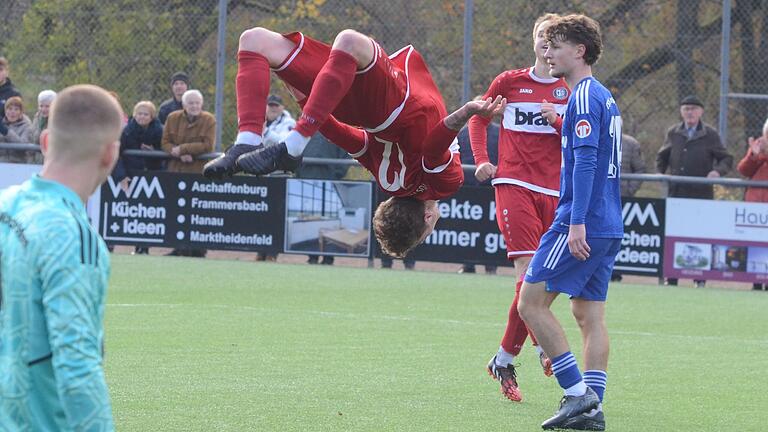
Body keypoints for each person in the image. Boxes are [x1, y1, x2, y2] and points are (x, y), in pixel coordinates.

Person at [202, 27, 504, 258]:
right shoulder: (388, 181)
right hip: (348, 100)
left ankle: (279, 145)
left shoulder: (444, 186)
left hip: (394, 105)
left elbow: (433, 149)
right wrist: (303, 94)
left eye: (429, 231)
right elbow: (342, 135)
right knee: (255, 42)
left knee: (348, 40)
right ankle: (247, 141)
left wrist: (464, 112)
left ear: (427, 218)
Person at [517, 15, 622, 430]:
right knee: (588, 316)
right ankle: (592, 411)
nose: (548, 52)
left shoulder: (581, 96)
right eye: (546, 45)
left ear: (579, 51)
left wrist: (576, 222)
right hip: (609, 224)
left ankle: (577, 396)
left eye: (556, 45)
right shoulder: (605, 96)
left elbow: (587, 160)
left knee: (530, 303)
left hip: (582, 222)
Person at [0, 84, 122, 431]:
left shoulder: (5, 205)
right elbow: (77, 366)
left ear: (45, 142)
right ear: (109, 154)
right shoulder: (74, 237)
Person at [469, 13, 570, 402]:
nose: (547, 43)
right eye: (541, 36)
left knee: (545, 281)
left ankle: (503, 357)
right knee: (528, 272)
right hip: (514, 183)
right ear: (533, 42)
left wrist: (558, 122)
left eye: (554, 38)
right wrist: (482, 158)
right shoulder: (509, 82)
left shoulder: (570, 88)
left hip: (556, 191)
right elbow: (478, 119)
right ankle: (544, 346)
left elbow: (581, 140)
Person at [657, 95, 732, 288]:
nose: (689, 112)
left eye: (693, 108)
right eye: (686, 109)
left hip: (701, 194)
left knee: (699, 234)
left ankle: (700, 277)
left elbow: (726, 158)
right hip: (677, 193)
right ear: (681, 112)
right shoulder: (674, 132)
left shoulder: (710, 134)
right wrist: (661, 176)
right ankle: (671, 277)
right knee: (673, 233)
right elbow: (662, 156)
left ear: (701, 112)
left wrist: (717, 171)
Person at [163, 89, 215, 257]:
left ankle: (199, 250)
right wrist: (174, 151)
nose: (194, 106)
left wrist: (184, 149)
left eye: (197, 103)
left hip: (197, 173)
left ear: (202, 104)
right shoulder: (172, 118)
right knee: (176, 210)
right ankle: (178, 247)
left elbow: (208, 145)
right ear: (184, 105)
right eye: (191, 103)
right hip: (176, 170)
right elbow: (164, 142)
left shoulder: (209, 120)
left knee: (198, 212)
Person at [113, 101, 164, 255]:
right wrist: (121, 176)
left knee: (148, 212)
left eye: (146, 114)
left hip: (151, 176)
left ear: (152, 116)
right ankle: (111, 244)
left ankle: (143, 247)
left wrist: (154, 151)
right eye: (139, 113)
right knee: (123, 209)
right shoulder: (126, 131)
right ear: (134, 115)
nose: (142, 116)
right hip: (130, 175)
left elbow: (166, 151)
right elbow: (116, 154)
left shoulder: (159, 131)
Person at [458, 95, 499, 276]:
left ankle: (491, 265)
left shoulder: (500, 132)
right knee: (466, 228)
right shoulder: (462, 133)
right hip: (467, 190)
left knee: (491, 228)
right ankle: (467, 264)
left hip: (491, 190)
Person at [297, 132, 350, 265]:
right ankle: (312, 255)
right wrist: (299, 173)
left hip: (330, 183)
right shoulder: (307, 126)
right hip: (307, 182)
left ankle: (328, 257)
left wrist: (336, 175)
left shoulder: (337, 128)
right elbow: (296, 150)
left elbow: (346, 155)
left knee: (330, 221)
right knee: (310, 221)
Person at [737, 118, 768, 291]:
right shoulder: (759, 145)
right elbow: (743, 170)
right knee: (755, 245)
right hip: (755, 206)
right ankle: (756, 281)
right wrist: (754, 155)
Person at [611, 133, 646, 282]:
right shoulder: (595, 137)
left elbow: (640, 169)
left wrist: (629, 189)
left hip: (622, 196)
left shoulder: (631, 143)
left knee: (621, 235)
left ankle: (617, 271)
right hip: (601, 197)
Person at [0, 96, 35, 163]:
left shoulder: (26, 125)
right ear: (5, 111)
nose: (12, 112)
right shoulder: (2, 123)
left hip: (19, 165)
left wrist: (6, 132)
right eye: (10, 109)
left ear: (21, 112)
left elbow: (23, 146)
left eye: (16, 109)